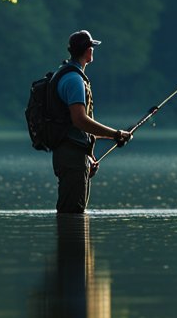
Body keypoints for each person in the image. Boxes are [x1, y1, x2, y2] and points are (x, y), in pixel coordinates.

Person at [51, 29, 131, 215]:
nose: (92, 51)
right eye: (92, 47)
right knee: (72, 212)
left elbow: (75, 125)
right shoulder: (74, 80)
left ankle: (72, 244)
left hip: (71, 154)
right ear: (88, 51)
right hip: (71, 157)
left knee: (72, 215)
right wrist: (116, 135)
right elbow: (79, 120)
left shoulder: (67, 74)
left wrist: (88, 155)